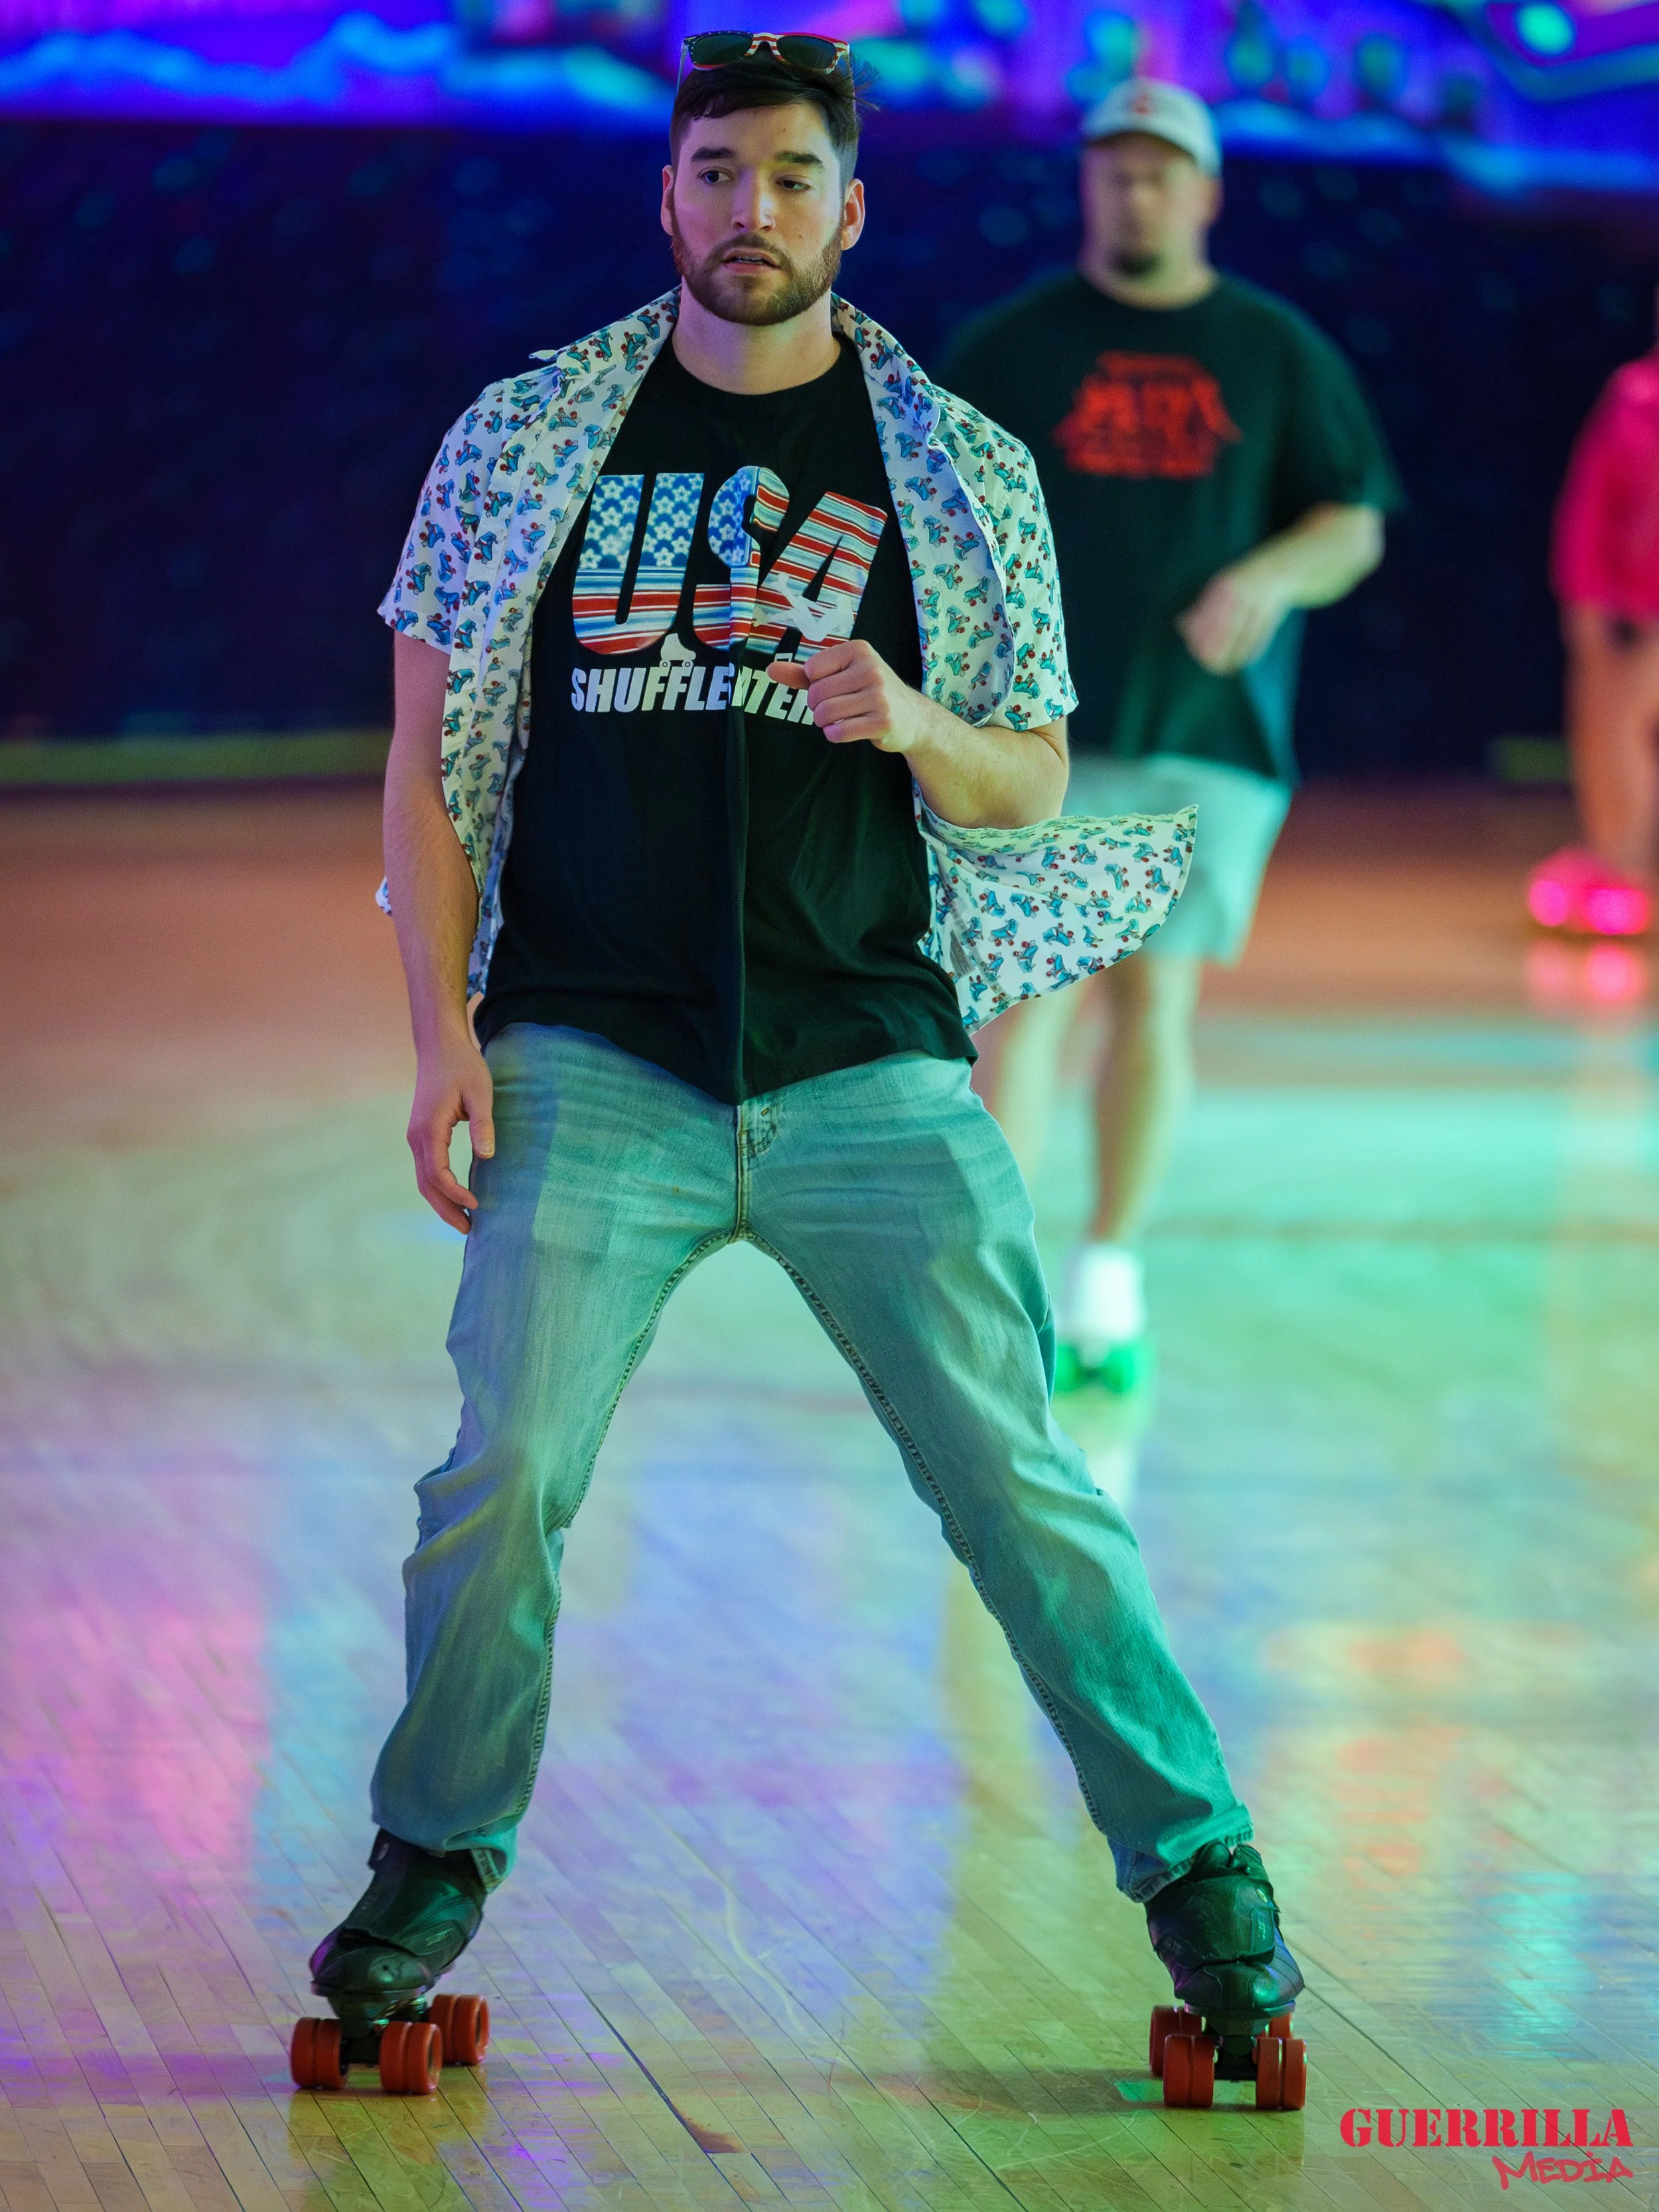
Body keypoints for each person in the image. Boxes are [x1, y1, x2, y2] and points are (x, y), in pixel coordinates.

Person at [301, 38, 1303, 2083]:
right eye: (710, 175)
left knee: (1024, 1481)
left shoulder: (953, 465)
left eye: (786, 180)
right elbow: (423, 766)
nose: (746, 211)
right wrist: (439, 1042)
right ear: (661, 202)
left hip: (871, 1064)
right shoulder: (520, 442)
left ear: (848, 214)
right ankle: (431, 1856)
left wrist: (912, 719)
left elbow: (1024, 778)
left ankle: (1199, 1870)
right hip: (591, 1053)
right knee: (498, 1479)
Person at [942, 78, 1400, 1390]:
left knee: (1152, 998)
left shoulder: (1274, 349)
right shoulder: (1010, 346)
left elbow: (1350, 517)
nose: (1134, 193)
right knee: (1024, 1004)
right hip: (1033, 737)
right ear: (1085, 186)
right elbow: (921, 508)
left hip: (1205, 734)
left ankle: (1107, 1275)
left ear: (1203, 193)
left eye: (1159, 174)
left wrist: (1266, 576)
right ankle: (1003, 1291)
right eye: (1112, 171)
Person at [1528, 292, 1659, 940]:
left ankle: (1625, 860)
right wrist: (1585, 603)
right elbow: (1589, 508)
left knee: (1629, 709)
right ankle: (1617, 861)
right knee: (1603, 718)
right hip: (1629, 605)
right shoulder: (1633, 398)